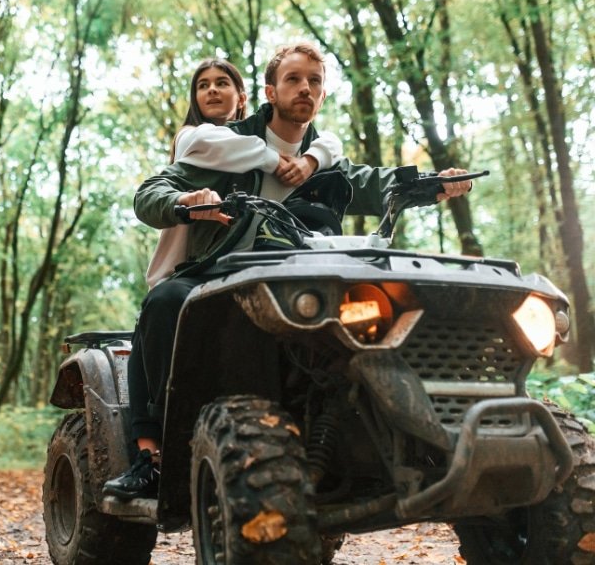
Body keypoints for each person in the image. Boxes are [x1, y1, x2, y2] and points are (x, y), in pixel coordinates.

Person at [104, 42, 472, 500]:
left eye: (314, 81)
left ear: (322, 94)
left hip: (303, 274)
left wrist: (433, 184)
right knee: (165, 302)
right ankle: (149, 454)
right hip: (221, 269)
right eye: (293, 79)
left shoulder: (324, 160)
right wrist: (187, 202)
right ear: (269, 91)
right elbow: (154, 191)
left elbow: (375, 184)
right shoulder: (224, 144)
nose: (305, 88)